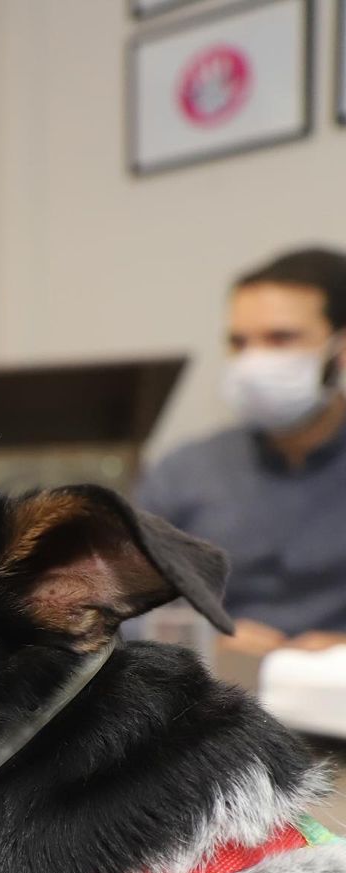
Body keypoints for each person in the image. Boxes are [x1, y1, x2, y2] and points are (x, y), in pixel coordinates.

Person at [137, 247, 346, 655]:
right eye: (239, 342)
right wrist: (205, 642)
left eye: (280, 338)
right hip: (215, 701)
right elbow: (120, 604)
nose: (254, 361)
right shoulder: (184, 471)